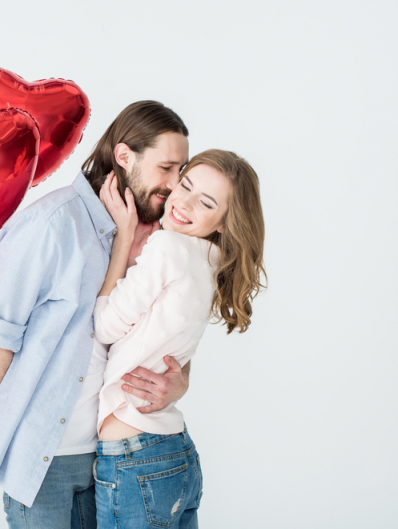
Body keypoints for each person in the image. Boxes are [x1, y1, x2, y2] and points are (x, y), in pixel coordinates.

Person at [0, 100, 192, 528]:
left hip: (121, 461)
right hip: (47, 466)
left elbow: (171, 336)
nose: (174, 185)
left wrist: (179, 381)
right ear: (124, 157)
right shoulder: (51, 225)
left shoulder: (157, 238)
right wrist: (21, 430)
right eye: (166, 168)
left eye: (181, 171)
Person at [92, 150, 266, 528]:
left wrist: (125, 236)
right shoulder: (211, 258)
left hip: (134, 457)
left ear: (224, 222)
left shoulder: (168, 248)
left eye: (205, 202)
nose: (183, 202)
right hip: (173, 453)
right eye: (185, 185)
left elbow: (104, 326)